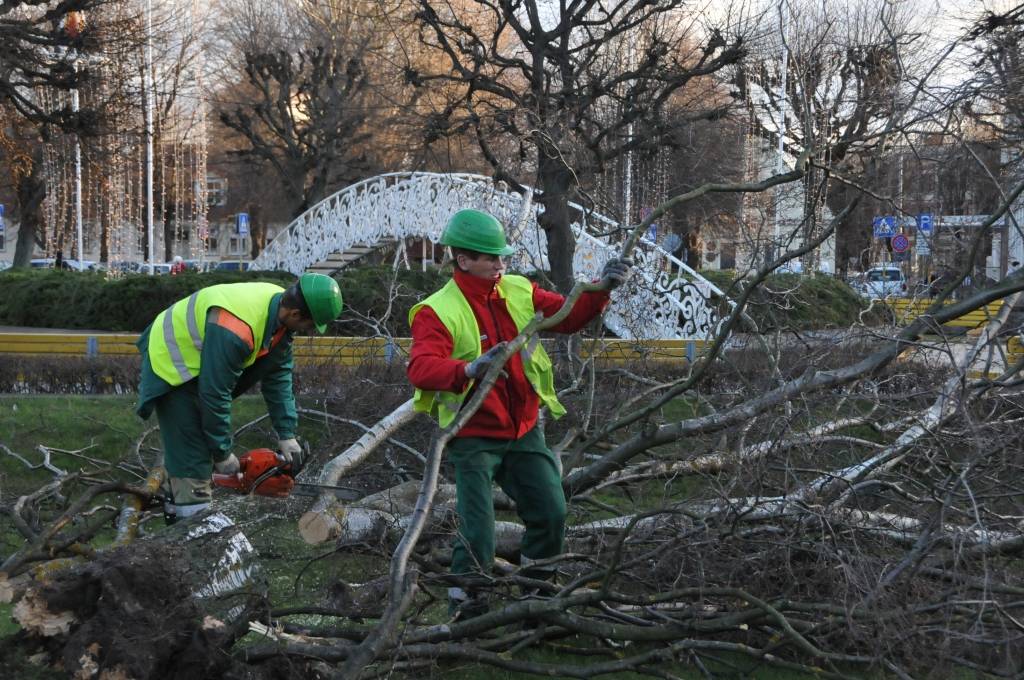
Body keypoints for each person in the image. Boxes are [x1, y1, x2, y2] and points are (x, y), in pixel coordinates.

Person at [406, 208, 632, 619]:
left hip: (523, 429)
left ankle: (538, 591)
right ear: (463, 260)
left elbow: (569, 316)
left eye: (502, 257)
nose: (500, 263)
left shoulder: (518, 290)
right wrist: (469, 369)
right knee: (477, 529)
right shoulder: (436, 310)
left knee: (551, 509)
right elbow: (420, 368)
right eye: (492, 257)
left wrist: (602, 288)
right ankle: (468, 604)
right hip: (472, 434)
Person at [136, 274, 343, 522]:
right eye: (310, 325)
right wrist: (222, 453)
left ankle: (175, 504)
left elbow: (278, 376)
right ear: (296, 315)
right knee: (193, 454)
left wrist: (286, 433)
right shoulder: (236, 327)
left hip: (202, 362)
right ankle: (192, 528)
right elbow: (215, 393)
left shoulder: (279, 314)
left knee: (199, 444)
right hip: (173, 363)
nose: (310, 332)